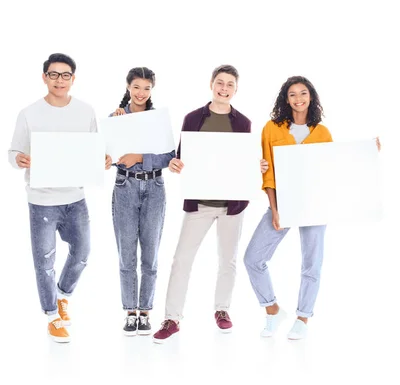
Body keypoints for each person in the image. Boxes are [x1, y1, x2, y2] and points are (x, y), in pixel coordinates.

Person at [244, 75, 380, 340]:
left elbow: (333, 168)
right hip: (282, 204)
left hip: (315, 205)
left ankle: (303, 318)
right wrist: (274, 209)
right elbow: (268, 173)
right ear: (286, 98)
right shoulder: (271, 128)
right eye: (292, 94)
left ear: (311, 97)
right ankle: (272, 310)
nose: (298, 99)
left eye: (303, 93)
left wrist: (367, 152)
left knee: (311, 264)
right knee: (253, 258)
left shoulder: (322, 132)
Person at [153, 64, 267, 343]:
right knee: (182, 259)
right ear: (211, 84)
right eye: (220, 82)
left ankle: (222, 310)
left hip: (232, 205)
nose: (224, 88)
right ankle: (172, 318)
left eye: (230, 84)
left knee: (227, 261)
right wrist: (176, 164)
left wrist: (258, 165)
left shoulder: (243, 123)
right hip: (200, 203)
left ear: (236, 90)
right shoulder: (193, 118)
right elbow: (182, 156)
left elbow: (243, 160)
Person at [8, 53, 112, 343]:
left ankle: (63, 294)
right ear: (44, 77)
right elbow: (13, 153)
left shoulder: (85, 110)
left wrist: (102, 159)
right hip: (41, 199)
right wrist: (21, 159)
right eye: (53, 74)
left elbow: (93, 149)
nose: (59, 80)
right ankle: (52, 315)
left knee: (82, 253)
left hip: (75, 197)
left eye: (65, 75)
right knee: (44, 261)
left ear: (73, 79)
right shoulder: (29, 113)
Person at [110, 67, 175, 336]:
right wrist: (112, 150)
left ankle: (145, 311)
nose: (141, 93)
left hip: (155, 186)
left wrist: (139, 157)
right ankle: (129, 311)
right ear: (128, 87)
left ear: (152, 90)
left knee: (150, 254)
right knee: (127, 254)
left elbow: (169, 157)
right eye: (136, 87)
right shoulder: (116, 118)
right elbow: (107, 155)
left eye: (147, 88)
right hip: (125, 185)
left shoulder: (157, 119)